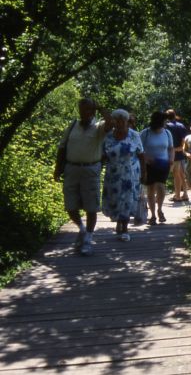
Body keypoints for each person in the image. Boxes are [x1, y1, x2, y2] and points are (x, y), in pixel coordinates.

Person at [53, 98, 111, 256]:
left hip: (91, 169)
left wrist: (100, 106)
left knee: (91, 206)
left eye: (87, 110)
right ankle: (82, 229)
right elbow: (62, 148)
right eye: (81, 110)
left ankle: (88, 240)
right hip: (71, 169)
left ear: (93, 111)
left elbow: (110, 123)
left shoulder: (99, 127)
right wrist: (58, 169)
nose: (83, 113)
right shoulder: (72, 126)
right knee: (70, 205)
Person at [101, 109, 145, 241]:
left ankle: (125, 229)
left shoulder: (134, 135)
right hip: (113, 173)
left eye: (122, 120)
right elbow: (103, 155)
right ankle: (119, 221)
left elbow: (141, 155)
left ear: (127, 121)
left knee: (127, 200)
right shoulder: (108, 136)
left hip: (130, 173)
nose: (119, 123)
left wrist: (144, 173)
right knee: (115, 199)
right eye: (116, 120)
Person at [140, 111, 173, 225]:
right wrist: (146, 158)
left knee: (161, 187)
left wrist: (171, 161)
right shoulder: (145, 133)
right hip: (149, 165)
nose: (166, 122)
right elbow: (139, 149)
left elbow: (171, 148)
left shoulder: (167, 133)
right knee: (151, 189)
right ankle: (153, 215)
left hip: (164, 164)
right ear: (159, 121)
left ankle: (160, 209)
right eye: (164, 120)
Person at [165, 109, 189, 202]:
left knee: (164, 175)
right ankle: (181, 195)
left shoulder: (166, 127)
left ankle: (157, 198)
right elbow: (184, 142)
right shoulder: (181, 126)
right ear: (175, 115)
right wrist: (180, 149)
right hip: (179, 153)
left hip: (169, 154)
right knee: (179, 174)